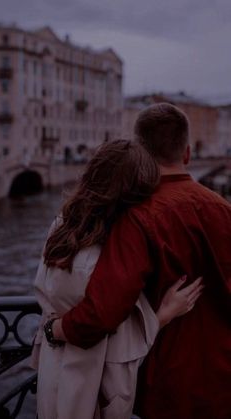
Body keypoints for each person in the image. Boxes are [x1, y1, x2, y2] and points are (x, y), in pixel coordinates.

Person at [52, 104, 231, 419]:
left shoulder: (138, 217)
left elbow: (100, 315)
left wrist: (54, 330)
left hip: (167, 385)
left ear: (141, 156)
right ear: (187, 153)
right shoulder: (224, 209)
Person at [31, 139, 203, 419]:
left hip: (54, 364)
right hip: (93, 377)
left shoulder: (64, 224)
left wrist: (52, 331)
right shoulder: (119, 244)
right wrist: (164, 314)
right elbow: (105, 323)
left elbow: (46, 293)